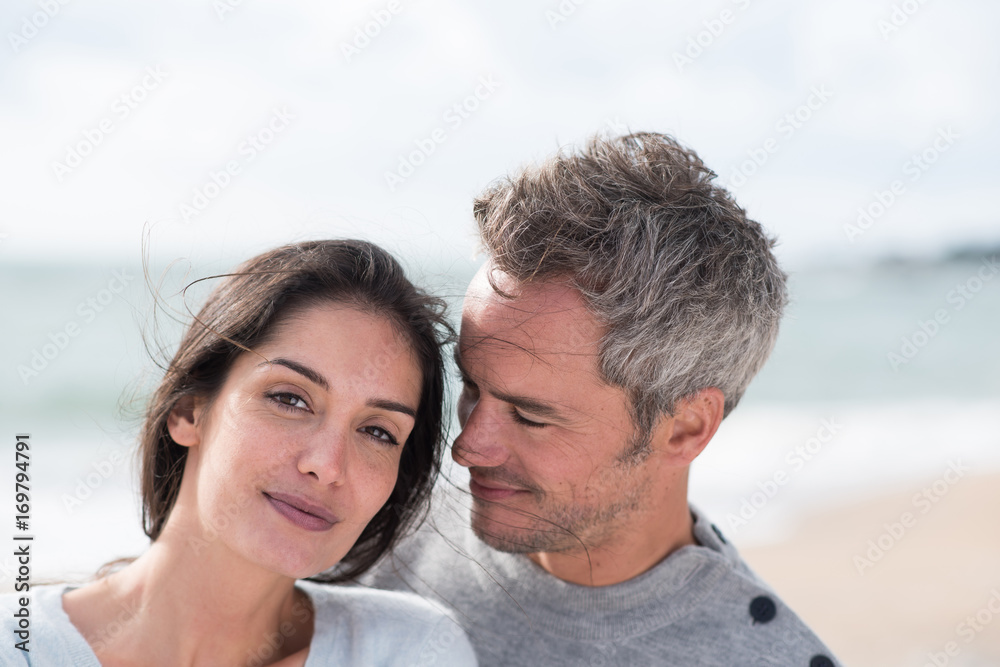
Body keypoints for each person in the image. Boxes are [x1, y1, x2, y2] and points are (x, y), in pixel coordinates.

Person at [362, 133, 842, 666]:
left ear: (685, 427)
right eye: (472, 388)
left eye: (529, 416)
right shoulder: (367, 532)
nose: (467, 447)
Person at [1, 240, 477, 666]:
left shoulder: (410, 650)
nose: (328, 465)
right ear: (188, 412)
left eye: (377, 432)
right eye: (290, 399)